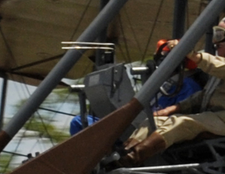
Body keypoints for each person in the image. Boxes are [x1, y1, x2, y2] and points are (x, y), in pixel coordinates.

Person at [122, 18, 225, 163]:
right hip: (216, 118)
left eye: (219, 35)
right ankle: (124, 152)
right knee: (152, 121)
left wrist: (195, 56)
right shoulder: (221, 65)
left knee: (182, 123)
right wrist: (173, 109)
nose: (215, 42)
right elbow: (203, 96)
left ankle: (132, 159)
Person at [72, 41, 200, 135]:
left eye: (164, 59)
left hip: (153, 129)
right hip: (136, 124)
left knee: (81, 123)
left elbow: (182, 117)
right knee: (80, 122)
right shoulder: (159, 85)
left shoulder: (188, 85)